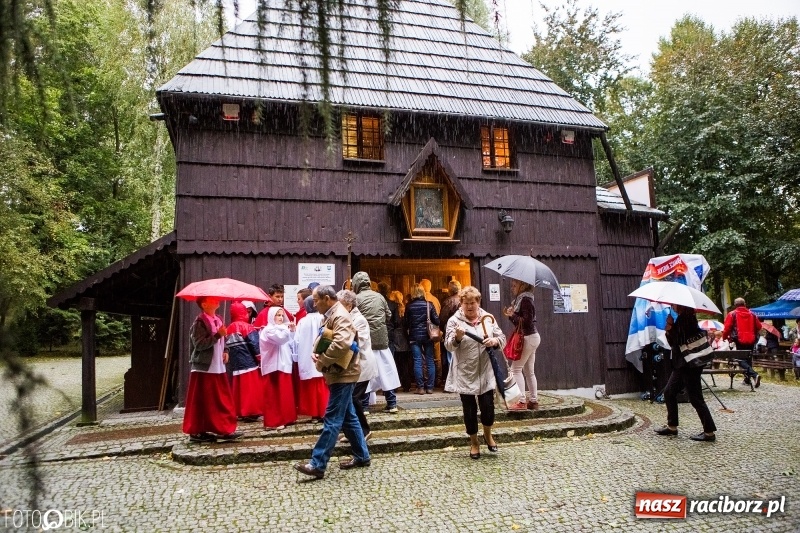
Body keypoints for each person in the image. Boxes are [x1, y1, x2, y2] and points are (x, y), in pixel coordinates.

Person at [294, 285, 371, 479]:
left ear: (327, 298)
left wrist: (322, 360)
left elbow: (342, 344)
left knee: (332, 418)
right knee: (348, 417)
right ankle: (362, 456)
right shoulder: (333, 314)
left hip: (342, 374)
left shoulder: (339, 315)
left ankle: (318, 463)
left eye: (316, 299)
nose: (313, 303)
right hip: (341, 373)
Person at [443, 285, 505, 459]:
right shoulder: (454, 321)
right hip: (465, 372)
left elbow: (502, 339)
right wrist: (457, 338)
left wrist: (494, 341)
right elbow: (448, 345)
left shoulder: (488, 318)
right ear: (461, 303)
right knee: (469, 410)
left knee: (488, 408)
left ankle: (488, 435)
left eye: (473, 302)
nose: (470, 306)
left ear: (478, 302)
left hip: (485, 371)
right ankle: (474, 442)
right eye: (466, 303)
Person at [182, 297, 243, 443]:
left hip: (218, 366)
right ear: (204, 304)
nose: (217, 301)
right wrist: (217, 335)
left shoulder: (219, 319)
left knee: (220, 399)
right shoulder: (199, 323)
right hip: (204, 369)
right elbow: (199, 344)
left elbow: (224, 339)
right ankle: (198, 430)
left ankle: (224, 428)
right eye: (212, 300)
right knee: (202, 401)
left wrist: (226, 350)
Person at [654, 304, 717, 442]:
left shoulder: (686, 319)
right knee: (669, 392)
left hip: (689, 364)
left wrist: (670, 327)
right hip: (683, 364)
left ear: (680, 305)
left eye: (673, 304)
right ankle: (672, 426)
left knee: (695, 397)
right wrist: (670, 329)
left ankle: (709, 432)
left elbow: (679, 341)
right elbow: (675, 343)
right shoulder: (684, 318)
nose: (672, 306)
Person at [351, 272, 400, 413]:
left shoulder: (356, 299)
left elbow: (353, 317)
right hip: (382, 339)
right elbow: (388, 315)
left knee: (365, 371)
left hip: (365, 340)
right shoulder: (379, 296)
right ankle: (392, 403)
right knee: (386, 370)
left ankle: (364, 406)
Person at [338, 289, 378, 440]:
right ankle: (352, 431)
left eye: (340, 304)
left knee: (354, 399)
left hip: (362, 365)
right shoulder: (344, 317)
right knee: (349, 400)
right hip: (351, 366)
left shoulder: (359, 319)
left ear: (349, 305)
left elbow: (359, 340)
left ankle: (364, 430)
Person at [503, 279, 541, 410]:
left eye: (515, 285)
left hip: (528, 337)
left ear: (523, 285)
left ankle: (521, 401)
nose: (512, 288)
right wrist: (511, 315)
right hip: (532, 337)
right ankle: (533, 401)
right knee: (529, 371)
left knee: (515, 369)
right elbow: (521, 321)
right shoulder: (523, 300)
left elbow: (526, 322)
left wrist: (512, 315)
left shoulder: (525, 300)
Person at [258, 307, 298, 429]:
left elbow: (291, 342)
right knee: (273, 395)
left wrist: (291, 331)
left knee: (284, 394)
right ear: (271, 317)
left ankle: (286, 417)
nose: (281, 318)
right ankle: (273, 421)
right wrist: (288, 330)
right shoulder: (268, 330)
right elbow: (281, 340)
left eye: (282, 315)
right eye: (278, 315)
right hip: (273, 366)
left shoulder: (280, 329)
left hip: (283, 365)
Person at [225, 301, 262, 422]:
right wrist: (259, 357)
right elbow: (254, 344)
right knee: (249, 388)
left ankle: (239, 410)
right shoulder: (247, 327)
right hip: (248, 362)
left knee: (238, 388)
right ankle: (250, 411)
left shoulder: (229, 328)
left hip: (235, 364)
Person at [294, 296, 329, 420]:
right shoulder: (323, 318)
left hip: (306, 356)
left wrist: (296, 357)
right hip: (321, 354)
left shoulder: (302, 321)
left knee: (311, 386)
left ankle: (314, 412)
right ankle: (325, 411)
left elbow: (296, 341)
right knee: (323, 385)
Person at [405, 284, 440, 394]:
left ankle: (420, 387)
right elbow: (437, 321)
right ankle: (430, 387)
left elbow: (406, 323)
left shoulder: (409, 306)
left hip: (414, 336)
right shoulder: (429, 305)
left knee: (417, 361)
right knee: (430, 360)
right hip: (428, 336)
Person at [722, 297, 762, 388]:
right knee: (748, 358)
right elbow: (759, 327)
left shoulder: (732, 314)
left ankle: (754, 375)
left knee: (739, 360)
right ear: (745, 304)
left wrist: (724, 337)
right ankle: (747, 380)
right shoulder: (752, 314)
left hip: (738, 339)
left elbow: (727, 328)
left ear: (735, 305)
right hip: (751, 340)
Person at [438, 280, 462, 386]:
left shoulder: (449, 301)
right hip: (463, 332)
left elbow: (442, 318)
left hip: (451, 332)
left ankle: (452, 382)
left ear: (450, 290)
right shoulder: (463, 300)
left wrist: (442, 329)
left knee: (451, 358)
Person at [389, 290, 413, 391]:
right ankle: (406, 385)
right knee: (405, 363)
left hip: (395, 337)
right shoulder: (404, 308)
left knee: (394, 362)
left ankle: (394, 385)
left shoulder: (392, 308)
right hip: (404, 337)